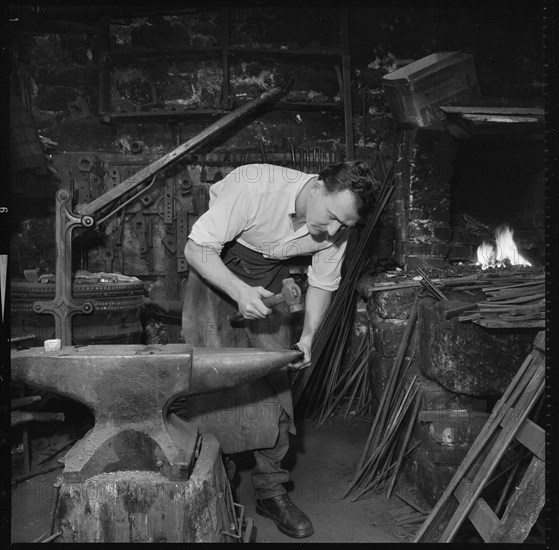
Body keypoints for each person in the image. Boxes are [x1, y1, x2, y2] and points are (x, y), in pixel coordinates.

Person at [181, 161, 376, 539]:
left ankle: (270, 491)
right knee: (209, 384)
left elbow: (322, 283)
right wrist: (238, 291)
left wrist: (307, 338)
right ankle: (217, 483)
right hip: (214, 267)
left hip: (269, 277)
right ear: (318, 187)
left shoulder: (336, 226)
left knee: (276, 385)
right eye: (333, 217)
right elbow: (196, 248)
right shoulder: (255, 189)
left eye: (345, 226)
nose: (333, 231)